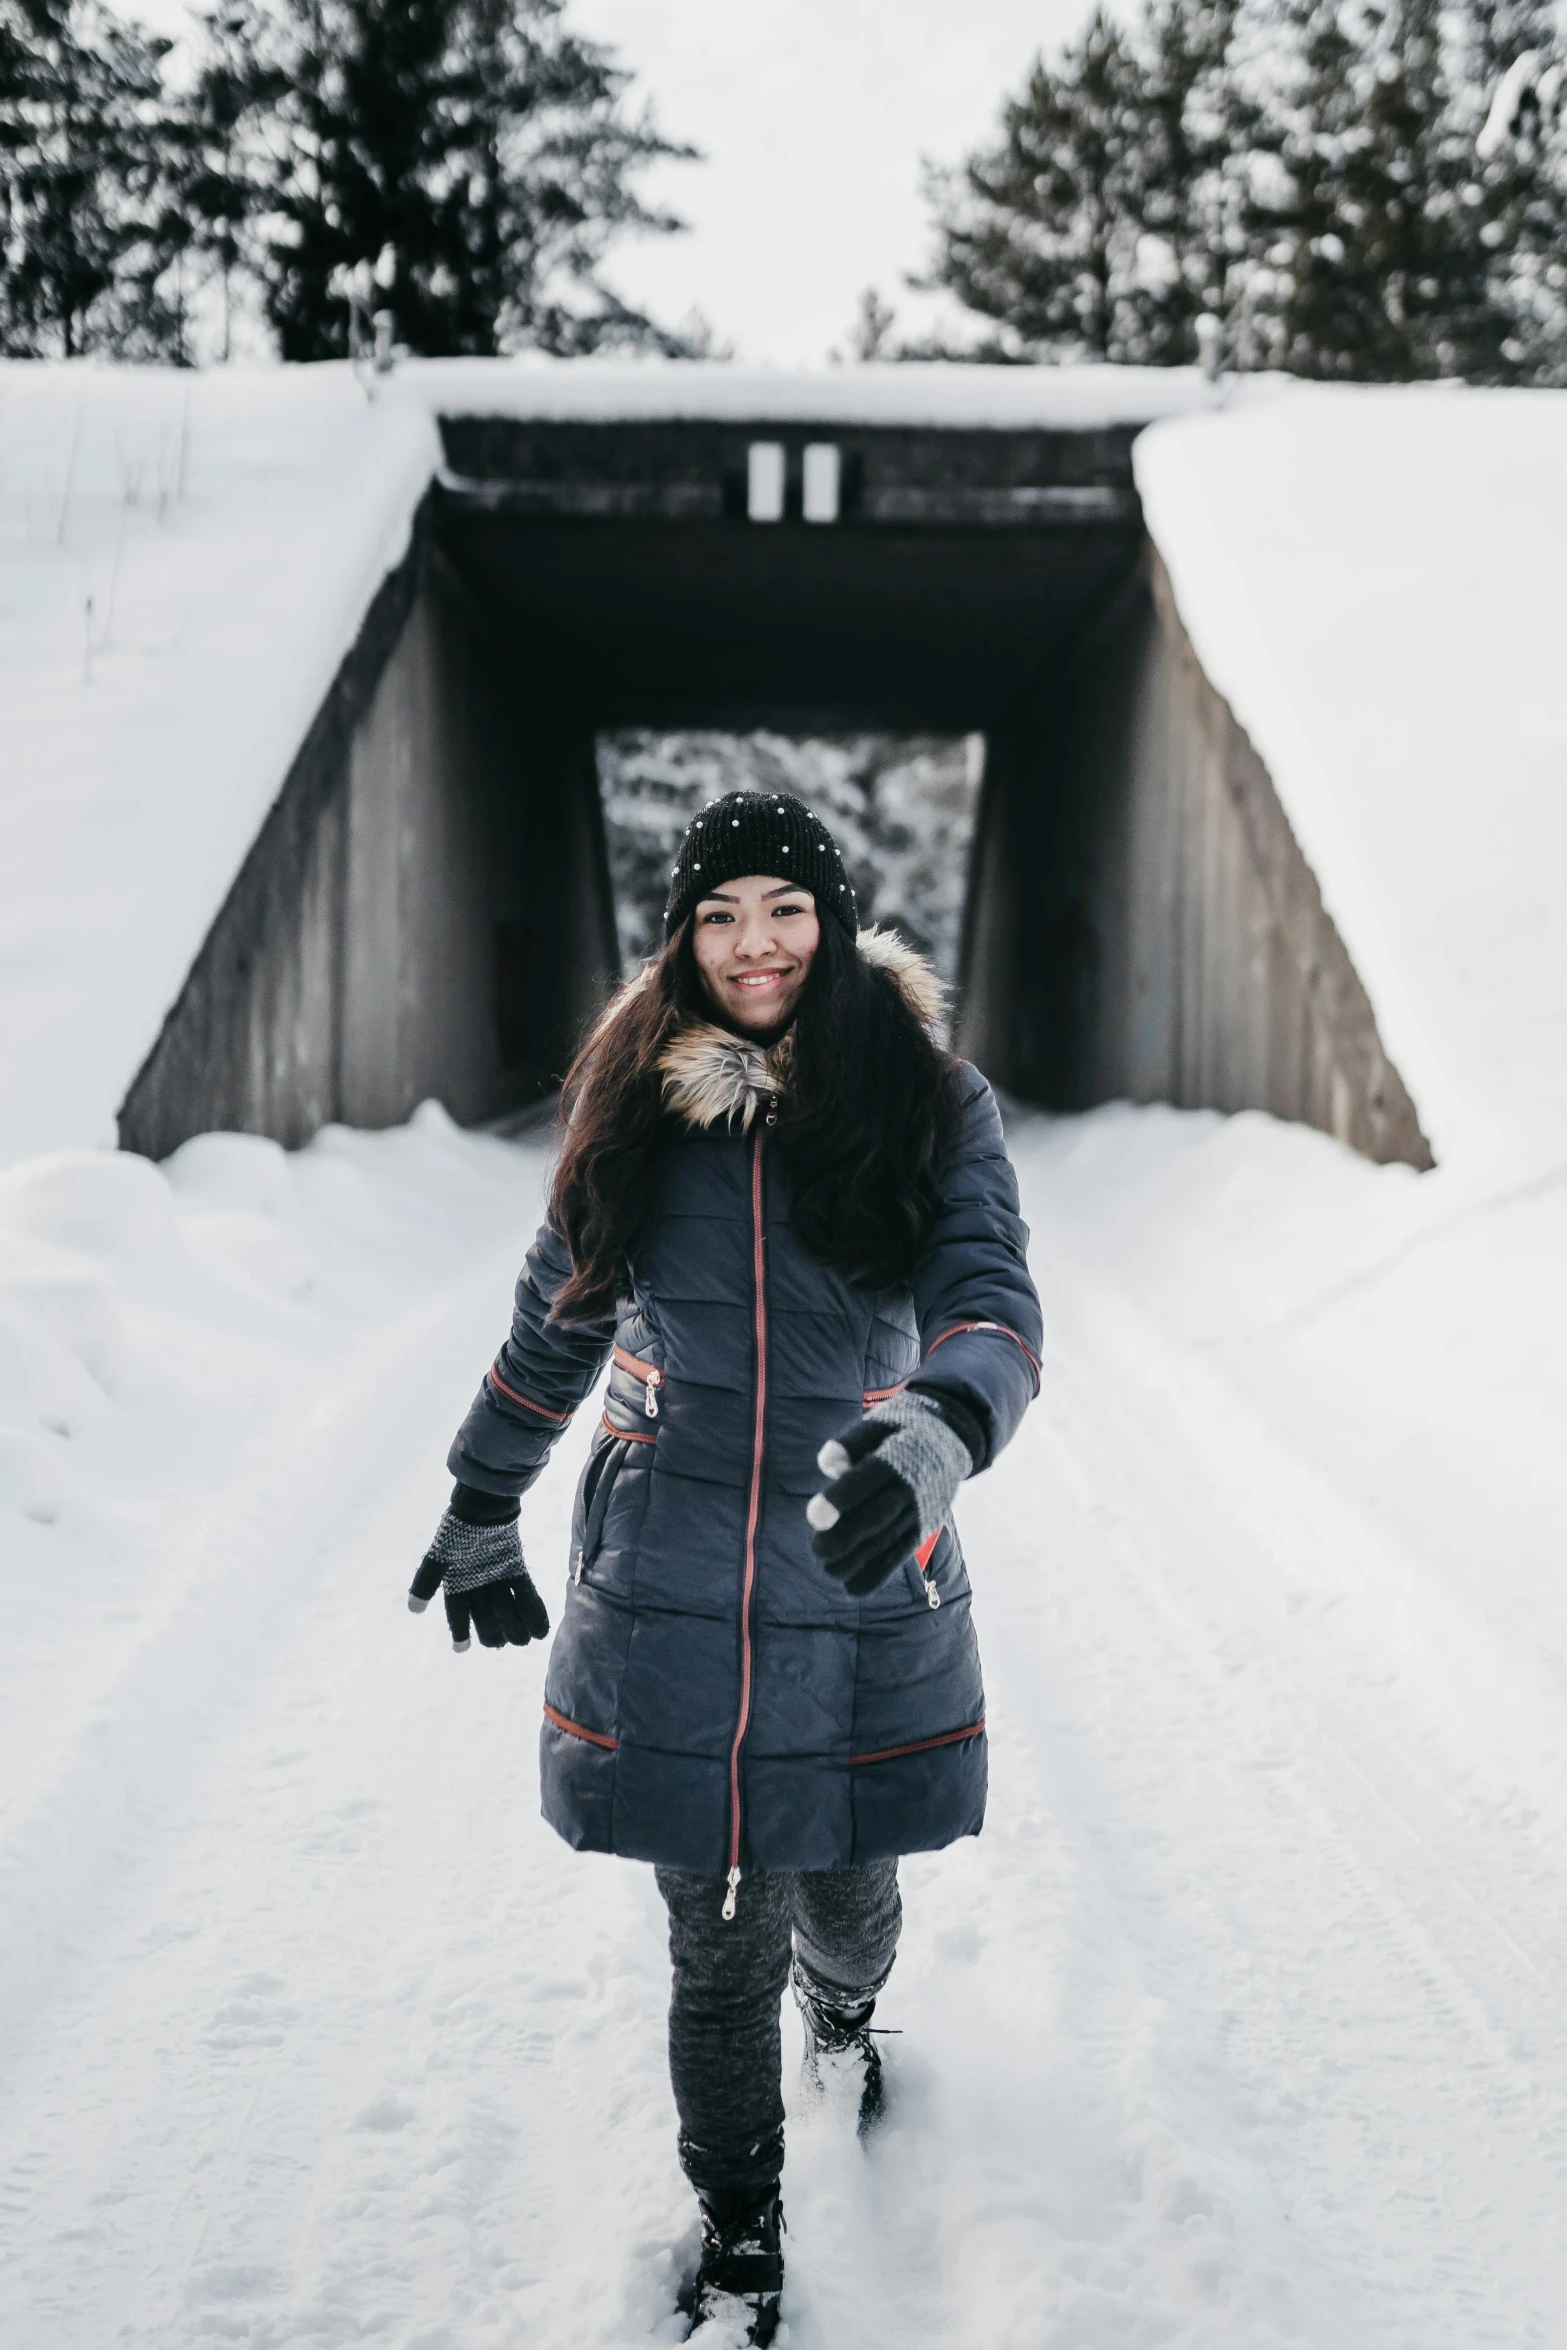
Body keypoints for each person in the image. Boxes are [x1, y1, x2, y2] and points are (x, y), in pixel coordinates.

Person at [409, 790, 1041, 2344]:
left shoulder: (928, 1100)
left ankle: (847, 2020)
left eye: (783, 908)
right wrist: (483, 1490)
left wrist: (941, 1425)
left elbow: (988, 1297)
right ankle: (742, 2223)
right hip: (673, 1570)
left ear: (833, 921)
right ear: (682, 940)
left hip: (856, 1542)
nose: (753, 944)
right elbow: (554, 1318)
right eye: (717, 915)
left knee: (847, 1897)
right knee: (713, 1943)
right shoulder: (633, 1104)